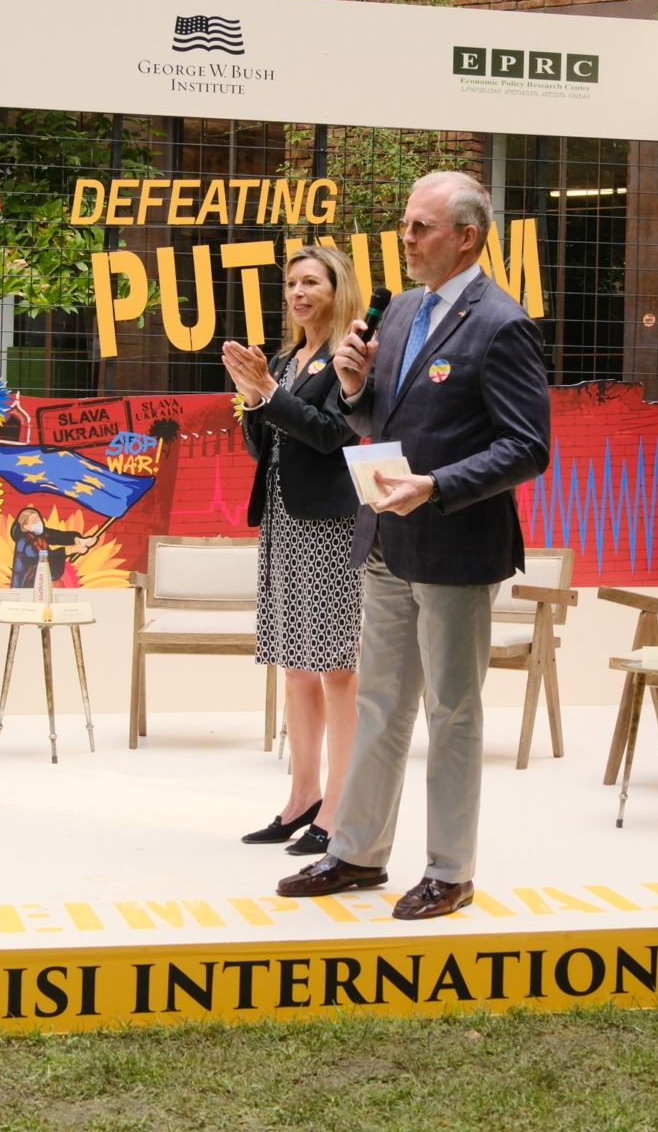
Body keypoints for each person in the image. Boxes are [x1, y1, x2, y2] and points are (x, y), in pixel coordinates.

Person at [277, 171, 551, 919]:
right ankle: (357, 853)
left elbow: (529, 448)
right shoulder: (398, 315)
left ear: (467, 235)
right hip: (385, 537)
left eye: (421, 226)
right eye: (404, 223)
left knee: (453, 712)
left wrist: (437, 485)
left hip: (458, 545)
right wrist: (359, 388)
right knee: (378, 702)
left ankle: (449, 870)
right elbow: (376, 423)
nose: (405, 237)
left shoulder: (503, 323)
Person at [223, 245, 365, 857]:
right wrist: (256, 395)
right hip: (284, 518)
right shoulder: (284, 357)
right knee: (296, 661)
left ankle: (339, 807)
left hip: (332, 522)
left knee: (336, 664)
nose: (299, 292)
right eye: (291, 283)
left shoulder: (349, 356)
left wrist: (270, 393)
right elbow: (265, 445)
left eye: (312, 281)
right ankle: (301, 797)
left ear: (338, 289)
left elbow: (336, 434)